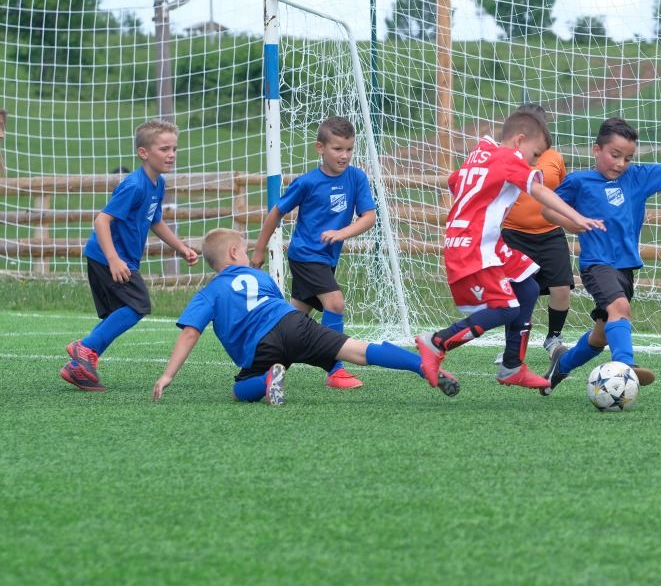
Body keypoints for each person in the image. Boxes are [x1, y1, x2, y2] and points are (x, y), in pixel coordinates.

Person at [414, 109, 606, 391]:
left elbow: (456, 181)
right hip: (475, 245)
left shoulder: (481, 153)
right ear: (519, 141)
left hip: (484, 241)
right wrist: (577, 218)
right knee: (505, 308)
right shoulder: (509, 158)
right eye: (535, 154)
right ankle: (437, 342)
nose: (535, 162)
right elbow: (538, 191)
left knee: (527, 288)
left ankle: (512, 365)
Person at [152, 228, 459, 403]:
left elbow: (191, 332)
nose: (246, 255)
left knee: (240, 391)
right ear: (234, 254)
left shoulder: (209, 292)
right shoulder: (261, 279)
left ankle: (266, 379)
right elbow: (279, 307)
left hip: (261, 349)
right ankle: (420, 366)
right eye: (244, 251)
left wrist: (168, 376)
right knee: (358, 350)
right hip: (293, 323)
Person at [540, 117, 661, 395]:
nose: (620, 163)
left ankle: (561, 365)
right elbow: (547, 210)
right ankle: (626, 366)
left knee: (601, 335)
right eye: (615, 155)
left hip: (625, 269)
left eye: (627, 158)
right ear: (596, 150)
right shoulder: (579, 181)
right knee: (620, 309)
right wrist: (572, 222)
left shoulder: (635, 177)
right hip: (597, 265)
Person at [60, 119, 200, 391]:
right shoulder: (134, 185)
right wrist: (114, 259)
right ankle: (84, 348)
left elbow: (154, 220)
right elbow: (101, 221)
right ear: (143, 152)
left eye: (174, 148)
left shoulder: (157, 184)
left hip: (115, 258)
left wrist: (180, 247)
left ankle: (79, 368)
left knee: (121, 311)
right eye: (164, 149)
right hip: (107, 257)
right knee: (138, 305)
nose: (171, 154)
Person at [251, 116, 376, 390]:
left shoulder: (356, 177)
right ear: (320, 148)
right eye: (337, 149)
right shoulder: (307, 182)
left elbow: (369, 216)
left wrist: (342, 233)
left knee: (294, 320)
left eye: (349, 149)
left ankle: (266, 370)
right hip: (306, 255)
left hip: (325, 259)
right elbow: (277, 212)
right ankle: (336, 370)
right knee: (335, 304)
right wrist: (260, 249)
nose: (344, 156)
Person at [496, 103, 574, 363]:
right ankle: (511, 347)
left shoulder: (554, 157)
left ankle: (554, 337)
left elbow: (562, 192)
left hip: (550, 233)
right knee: (517, 292)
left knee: (562, 288)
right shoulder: (505, 157)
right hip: (515, 235)